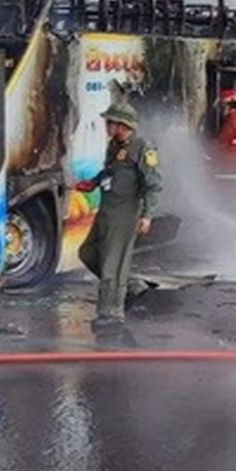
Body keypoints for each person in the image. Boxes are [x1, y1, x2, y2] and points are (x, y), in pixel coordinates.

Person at [76, 101, 162, 326]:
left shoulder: (143, 148)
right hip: (107, 210)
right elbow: (110, 172)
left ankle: (111, 313)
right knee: (87, 253)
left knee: (111, 264)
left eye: (110, 122)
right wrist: (93, 183)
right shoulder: (114, 145)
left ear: (122, 125)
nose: (106, 126)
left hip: (125, 214)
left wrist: (147, 215)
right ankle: (132, 285)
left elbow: (153, 184)